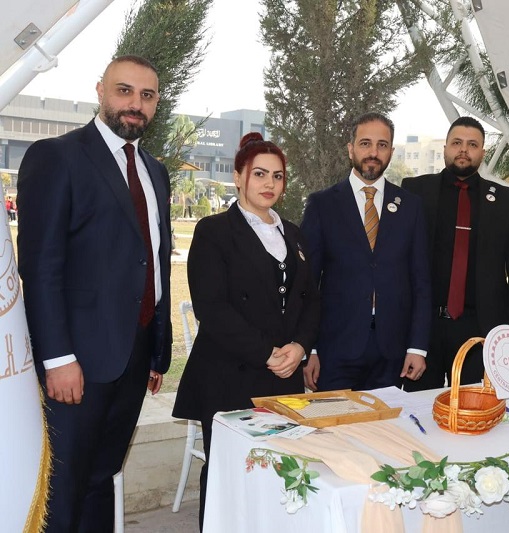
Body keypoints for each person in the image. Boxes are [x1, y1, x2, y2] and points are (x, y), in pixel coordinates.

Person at [16, 55, 172, 532]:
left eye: (146, 95)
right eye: (125, 91)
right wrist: (58, 358)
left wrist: (156, 350)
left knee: (103, 478)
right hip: (77, 362)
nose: (135, 104)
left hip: (135, 356)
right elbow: (40, 267)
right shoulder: (56, 157)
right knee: (62, 490)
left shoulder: (155, 171)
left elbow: (154, 260)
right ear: (101, 90)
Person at [172, 133, 320, 528]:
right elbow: (212, 308)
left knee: (280, 472)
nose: (269, 183)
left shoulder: (295, 233)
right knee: (229, 473)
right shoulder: (214, 231)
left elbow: (311, 299)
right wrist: (266, 353)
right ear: (238, 177)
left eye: (277, 176)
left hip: (284, 376)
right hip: (229, 375)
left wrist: (300, 346)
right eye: (259, 174)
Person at [301, 112, 431, 392]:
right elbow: (308, 284)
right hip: (334, 350)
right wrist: (309, 348)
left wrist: (417, 347)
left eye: (382, 145)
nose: (373, 152)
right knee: (334, 421)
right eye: (365, 143)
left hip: (392, 352)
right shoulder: (322, 205)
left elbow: (421, 282)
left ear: (391, 151)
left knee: (386, 422)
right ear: (351, 149)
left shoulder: (411, 207)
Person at [402, 116, 509, 390]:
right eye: (457, 143)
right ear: (445, 148)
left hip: (481, 331)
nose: (464, 150)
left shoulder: (505, 201)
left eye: (472, 144)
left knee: (475, 408)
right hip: (424, 328)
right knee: (418, 409)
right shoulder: (415, 191)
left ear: (482, 153)